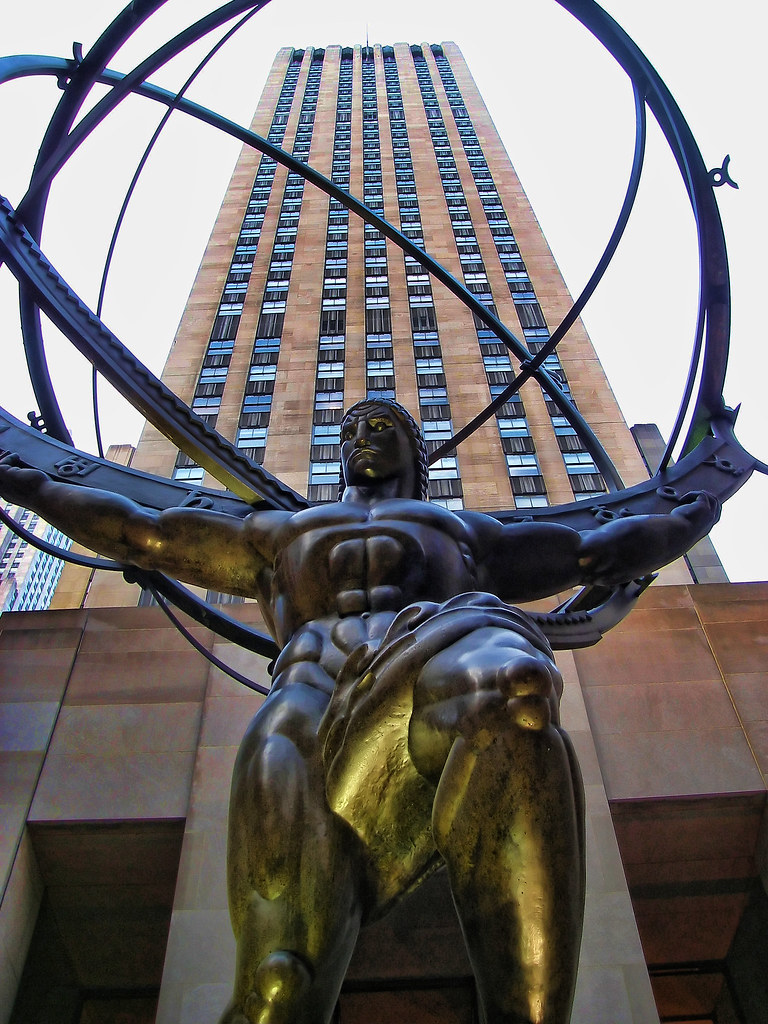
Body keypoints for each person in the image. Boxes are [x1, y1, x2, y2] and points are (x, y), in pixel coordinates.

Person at [0, 399, 720, 1024]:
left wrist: (693, 514)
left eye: (380, 427)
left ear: (418, 450)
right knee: (280, 984)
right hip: (306, 707)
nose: (359, 439)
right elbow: (138, 531)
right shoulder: (277, 534)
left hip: (432, 661)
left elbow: (595, 552)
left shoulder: (467, 533)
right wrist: (26, 483)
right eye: (348, 432)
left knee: (512, 684)